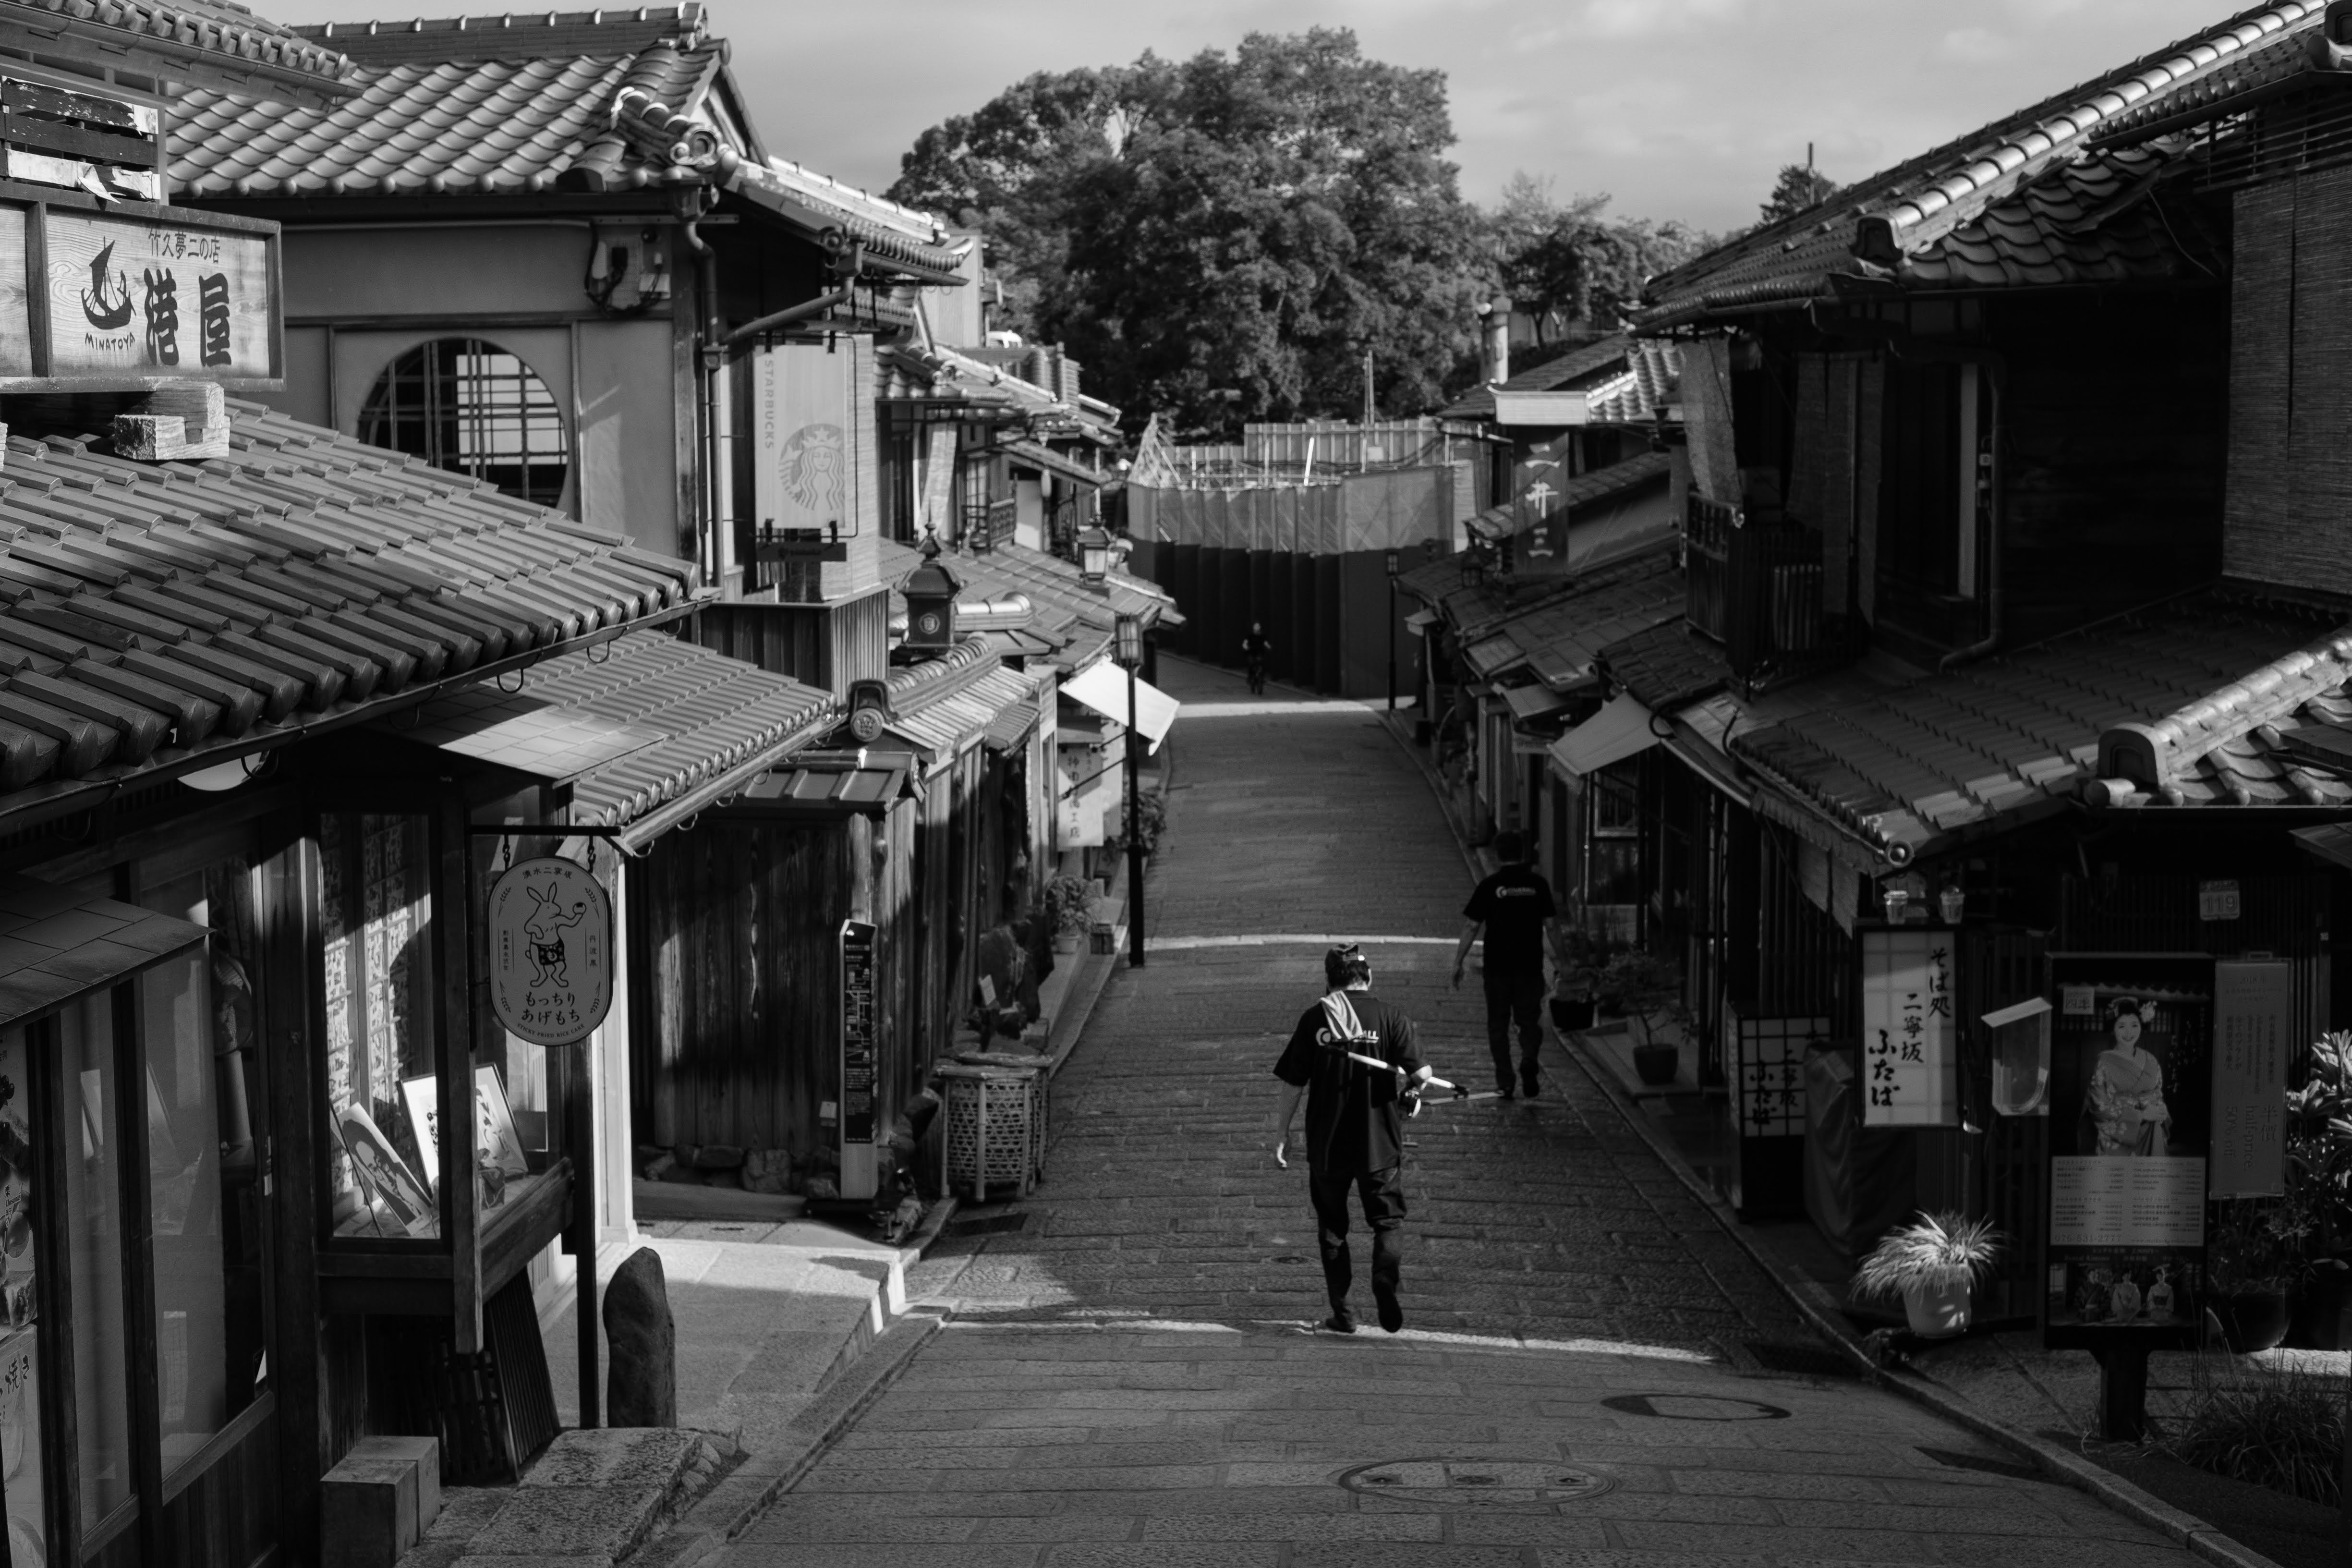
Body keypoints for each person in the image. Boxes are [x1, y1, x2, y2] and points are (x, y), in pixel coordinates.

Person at [1272, 944, 1433, 1334]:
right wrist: (1410, 1095)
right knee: (1388, 1222)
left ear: (1328, 982)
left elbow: (1294, 1084)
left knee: (1332, 1230)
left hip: (1328, 1144)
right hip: (1380, 1143)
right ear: (1369, 977)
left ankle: (1344, 1314)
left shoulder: (1316, 1017)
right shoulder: (1391, 1016)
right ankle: (1383, 1277)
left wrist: (1282, 1133)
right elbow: (1423, 1073)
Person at [1453, 829, 1558, 1099]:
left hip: (1498, 968)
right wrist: (1564, 959)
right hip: (1530, 967)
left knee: (1498, 1024)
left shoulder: (1490, 886)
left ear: (1498, 855)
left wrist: (1459, 961)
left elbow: (1471, 925)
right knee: (1529, 1021)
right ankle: (1529, 1058)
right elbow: (1552, 925)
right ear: (1522, 853)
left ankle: (1506, 1081)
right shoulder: (1538, 884)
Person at [2084, 997, 2170, 1157]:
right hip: (2118, 1143)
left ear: (2142, 1026)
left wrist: (2161, 1110)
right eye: (2122, 1026)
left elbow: (2158, 1093)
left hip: (2151, 1134)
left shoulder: (2151, 1060)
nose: (2129, 1033)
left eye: (2135, 1025)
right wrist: (2142, 1115)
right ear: (2113, 1029)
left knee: (2148, 1180)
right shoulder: (2104, 1063)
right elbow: (2099, 1107)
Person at [1241, 622, 1273, 695]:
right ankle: (1250, 677)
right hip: (1251, 653)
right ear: (1253, 629)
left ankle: (1262, 678)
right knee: (1251, 664)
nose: (1257, 630)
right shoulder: (1250, 636)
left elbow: (1265, 643)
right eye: (1256, 629)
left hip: (1259, 653)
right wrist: (1245, 647)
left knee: (1262, 663)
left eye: (1258, 629)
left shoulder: (1263, 636)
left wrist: (1269, 646)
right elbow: (1245, 643)